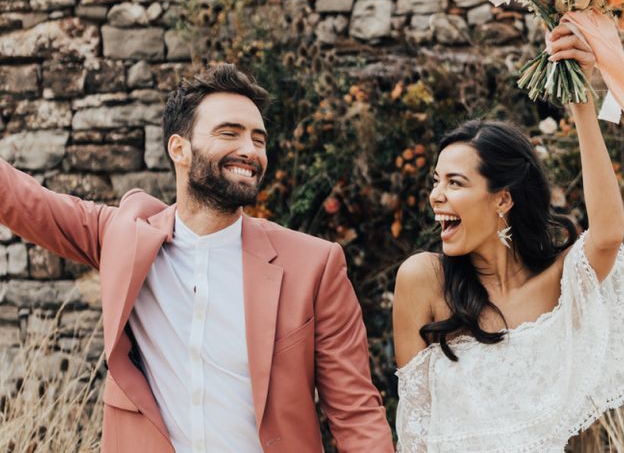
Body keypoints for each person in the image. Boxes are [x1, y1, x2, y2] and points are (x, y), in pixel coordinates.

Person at [0, 63, 394, 453]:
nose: (250, 150)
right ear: (179, 148)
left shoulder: (314, 265)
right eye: (230, 133)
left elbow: (356, 414)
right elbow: (24, 201)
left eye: (259, 139)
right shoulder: (125, 237)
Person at [392, 25, 624, 452]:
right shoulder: (423, 280)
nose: (436, 195)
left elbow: (608, 234)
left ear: (502, 200)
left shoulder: (556, 286)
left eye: (456, 182)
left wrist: (582, 105)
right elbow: (414, 428)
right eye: (436, 180)